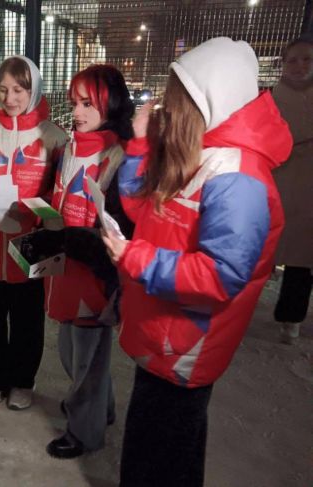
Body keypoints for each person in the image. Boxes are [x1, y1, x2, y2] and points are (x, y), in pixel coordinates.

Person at [101, 38, 292, 487]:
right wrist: (141, 147)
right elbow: (139, 209)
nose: (165, 107)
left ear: (206, 100)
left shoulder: (236, 178)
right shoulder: (202, 154)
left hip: (185, 346)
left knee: (157, 461)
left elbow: (219, 275)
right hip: (163, 336)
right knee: (168, 453)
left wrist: (134, 257)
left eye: (174, 98)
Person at [31, 65, 135, 459]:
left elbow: (119, 230)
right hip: (63, 268)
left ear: (111, 103)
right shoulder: (72, 147)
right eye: (74, 102)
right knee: (74, 353)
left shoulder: (120, 156)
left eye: (88, 103)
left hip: (94, 274)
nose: (77, 111)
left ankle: (84, 432)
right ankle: (98, 410)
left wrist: (72, 240)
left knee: (88, 358)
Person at [0, 56, 68, 410]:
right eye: (4, 89)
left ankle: (22, 381)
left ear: (32, 89)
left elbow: (61, 195)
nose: (10, 98)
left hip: (31, 242)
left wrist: (38, 213)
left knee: (27, 318)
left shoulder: (54, 138)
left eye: (18, 89)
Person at [271, 37, 313, 344]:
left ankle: (291, 315)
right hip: (278, 180)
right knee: (264, 246)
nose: (299, 66)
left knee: (302, 256)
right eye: (293, 60)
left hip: (309, 187)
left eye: (307, 59)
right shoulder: (273, 97)